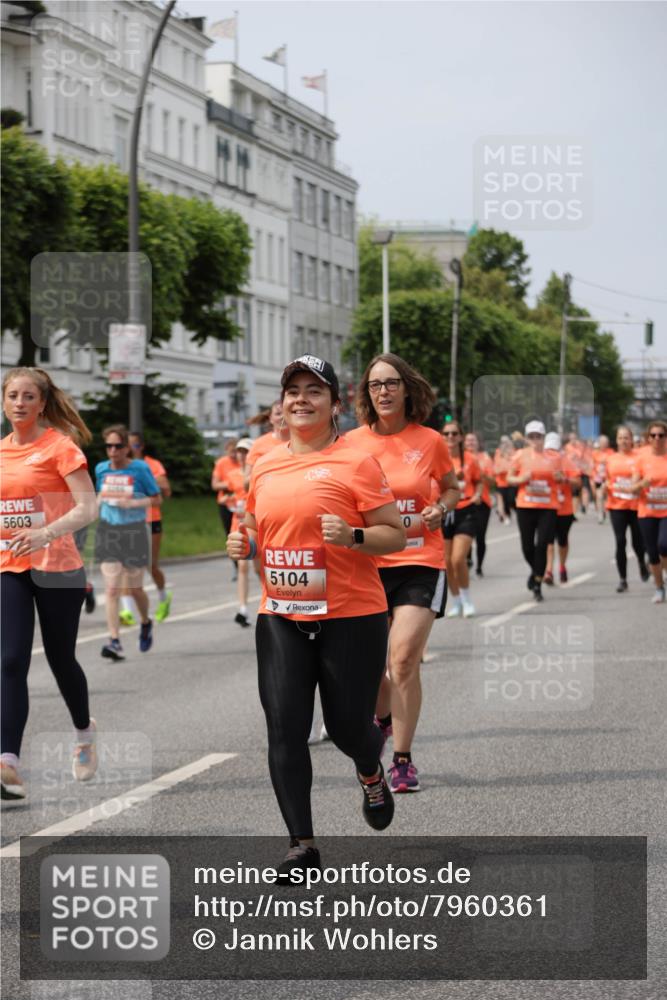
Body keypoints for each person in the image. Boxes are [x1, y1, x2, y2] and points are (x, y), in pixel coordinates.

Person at [227, 355, 405, 877]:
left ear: (335, 404)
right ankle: (300, 844)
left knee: (350, 729)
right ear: (282, 404)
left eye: (314, 391)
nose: (301, 399)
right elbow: (260, 525)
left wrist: (351, 536)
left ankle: (370, 770)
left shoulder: (357, 462)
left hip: (352, 613)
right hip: (281, 612)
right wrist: (245, 541)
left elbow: (393, 533)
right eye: (293, 391)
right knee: (284, 727)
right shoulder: (263, 460)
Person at [347, 353, 459, 794]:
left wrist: (441, 509)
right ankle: (385, 717)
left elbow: (451, 487)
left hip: (419, 562)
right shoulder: (351, 445)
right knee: (372, 666)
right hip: (368, 564)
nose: (384, 391)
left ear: (406, 388)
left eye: (392, 383)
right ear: (367, 394)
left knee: (403, 660)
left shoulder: (429, 441)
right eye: (375, 385)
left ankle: (402, 759)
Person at [1, 368, 98, 800]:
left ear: (42, 404)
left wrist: (45, 533)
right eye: (11, 396)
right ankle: (8, 763)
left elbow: (87, 507)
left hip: (57, 566)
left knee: (61, 659)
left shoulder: (60, 447)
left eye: (27, 397)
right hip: (10, 566)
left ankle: (84, 731)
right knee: (9, 660)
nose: (19, 403)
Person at [95, 424, 161, 660]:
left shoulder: (140, 469)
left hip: (134, 531)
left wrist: (132, 503)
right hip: (108, 531)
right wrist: (98, 501)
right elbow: (100, 494)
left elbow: (156, 499)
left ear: (126, 448)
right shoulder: (101, 469)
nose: (113, 450)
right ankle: (114, 641)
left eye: (118, 446)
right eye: (109, 446)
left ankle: (145, 621)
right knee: (112, 589)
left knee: (134, 589)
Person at [119, 432, 172, 625]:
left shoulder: (153, 464)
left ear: (140, 447)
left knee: (151, 566)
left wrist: (144, 478)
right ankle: (126, 611)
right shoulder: (121, 466)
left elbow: (165, 488)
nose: (126, 449)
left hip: (151, 520)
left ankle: (163, 597)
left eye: (132, 445)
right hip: (129, 522)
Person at [508, 420, 563, 602]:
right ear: (526, 438)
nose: (535, 440)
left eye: (538, 436)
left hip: (548, 507)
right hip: (526, 506)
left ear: (543, 437)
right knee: (526, 547)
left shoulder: (553, 457)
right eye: (531, 436)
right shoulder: (519, 456)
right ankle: (535, 571)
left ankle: (538, 583)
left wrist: (559, 477)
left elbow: (562, 478)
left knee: (542, 545)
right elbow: (509, 478)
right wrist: (521, 478)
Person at [441, 421, 482, 618]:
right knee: (447, 562)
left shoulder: (470, 459)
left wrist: (478, 494)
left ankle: (467, 600)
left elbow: (479, 480)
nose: (450, 437)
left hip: (466, 509)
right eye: (446, 434)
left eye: (454, 433)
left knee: (458, 559)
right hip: (444, 512)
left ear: (460, 437)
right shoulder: (438, 459)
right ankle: (456, 600)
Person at [606, 426, 648, 593]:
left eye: (626, 438)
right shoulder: (611, 459)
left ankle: (641, 563)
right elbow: (608, 479)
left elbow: (645, 478)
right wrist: (607, 485)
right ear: (616, 440)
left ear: (631, 440)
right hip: (616, 505)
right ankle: (623, 579)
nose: (623, 441)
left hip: (636, 505)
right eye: (620, 438)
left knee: (638, 542)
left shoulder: (639, 458)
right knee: (620, 541)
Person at [633, 420, 667, 603]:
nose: (657, 439)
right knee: (653, 553)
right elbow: (633, 488)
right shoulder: (642, 458)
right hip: (647, 512)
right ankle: (659, 588)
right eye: (653, 435)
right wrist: (641, 484)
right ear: (648, 438)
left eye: (661, 435)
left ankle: (665, 575)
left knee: (664, 545)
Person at [222, 437, 254, 627]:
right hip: (238, 523)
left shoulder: (258, 472)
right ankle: (242, 609)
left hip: (255, 523)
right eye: (240, 452)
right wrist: (230, 502)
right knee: (242, 566)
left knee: (260, 569)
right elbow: (227, 495)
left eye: (245, 452)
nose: (242, 455)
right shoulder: (233, 474)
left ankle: (273, 597)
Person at [543, 433, 581, 585]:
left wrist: (564, 479)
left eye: (553, 449)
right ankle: (549, 570)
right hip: (547, 508)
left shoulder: (566, 461)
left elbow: (578, 482)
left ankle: (562, 566)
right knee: (549, 541)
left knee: (562, 541)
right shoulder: (541, 460)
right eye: (548, 450)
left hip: (564, 509)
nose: (551, 453)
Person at [465, 432, 494, 576]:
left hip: (483, 502)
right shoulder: (462, 458)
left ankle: (479, 567)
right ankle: (468, 558)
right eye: (468, 440)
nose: (470, 443)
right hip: (466, 501)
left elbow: (492, 481)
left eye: (473, 440)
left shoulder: (485, 458)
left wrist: (482, 475)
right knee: (465, 532)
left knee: (480, 535)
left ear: (478, 443)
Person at [212, 438, 240, 581]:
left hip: (241, 502)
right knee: (230, 533)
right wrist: (231, 484)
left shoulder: (243, 461)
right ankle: (237, 567)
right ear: (226, 451)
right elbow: (215, 485)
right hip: (225, 502)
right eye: (231, 452)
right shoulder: (222, 463)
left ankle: (250, 563)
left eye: (236, 451)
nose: (234, 455)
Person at [245, 400, 290, 476]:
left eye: (286, 413)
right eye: (278, 414)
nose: (283, 417)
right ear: (271, 419)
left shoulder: (304, 442)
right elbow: (246, 481)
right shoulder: (259, 444)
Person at [591, 435, 613, 524]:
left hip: (608, 477)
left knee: (607, 496)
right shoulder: (595, 453)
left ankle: (605, 510)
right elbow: (592, 466)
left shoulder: (611, 453)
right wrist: (592, 477)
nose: (604, 444)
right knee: (599, 496)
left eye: (605, 442)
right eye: (602, 442)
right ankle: (600, 513)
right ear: (599, 443)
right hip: (598, 478)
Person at [494, 435, 515, 524]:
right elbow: (495, 469)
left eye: (506, 442)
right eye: (503, 442)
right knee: (501, 500)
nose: (505, 444)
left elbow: (516, 467)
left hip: (511, 483)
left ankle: (507, 513)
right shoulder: (498, 453)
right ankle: (504, 515)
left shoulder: (513, 454)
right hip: (501, 483)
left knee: (510, 500)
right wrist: (500, 470)